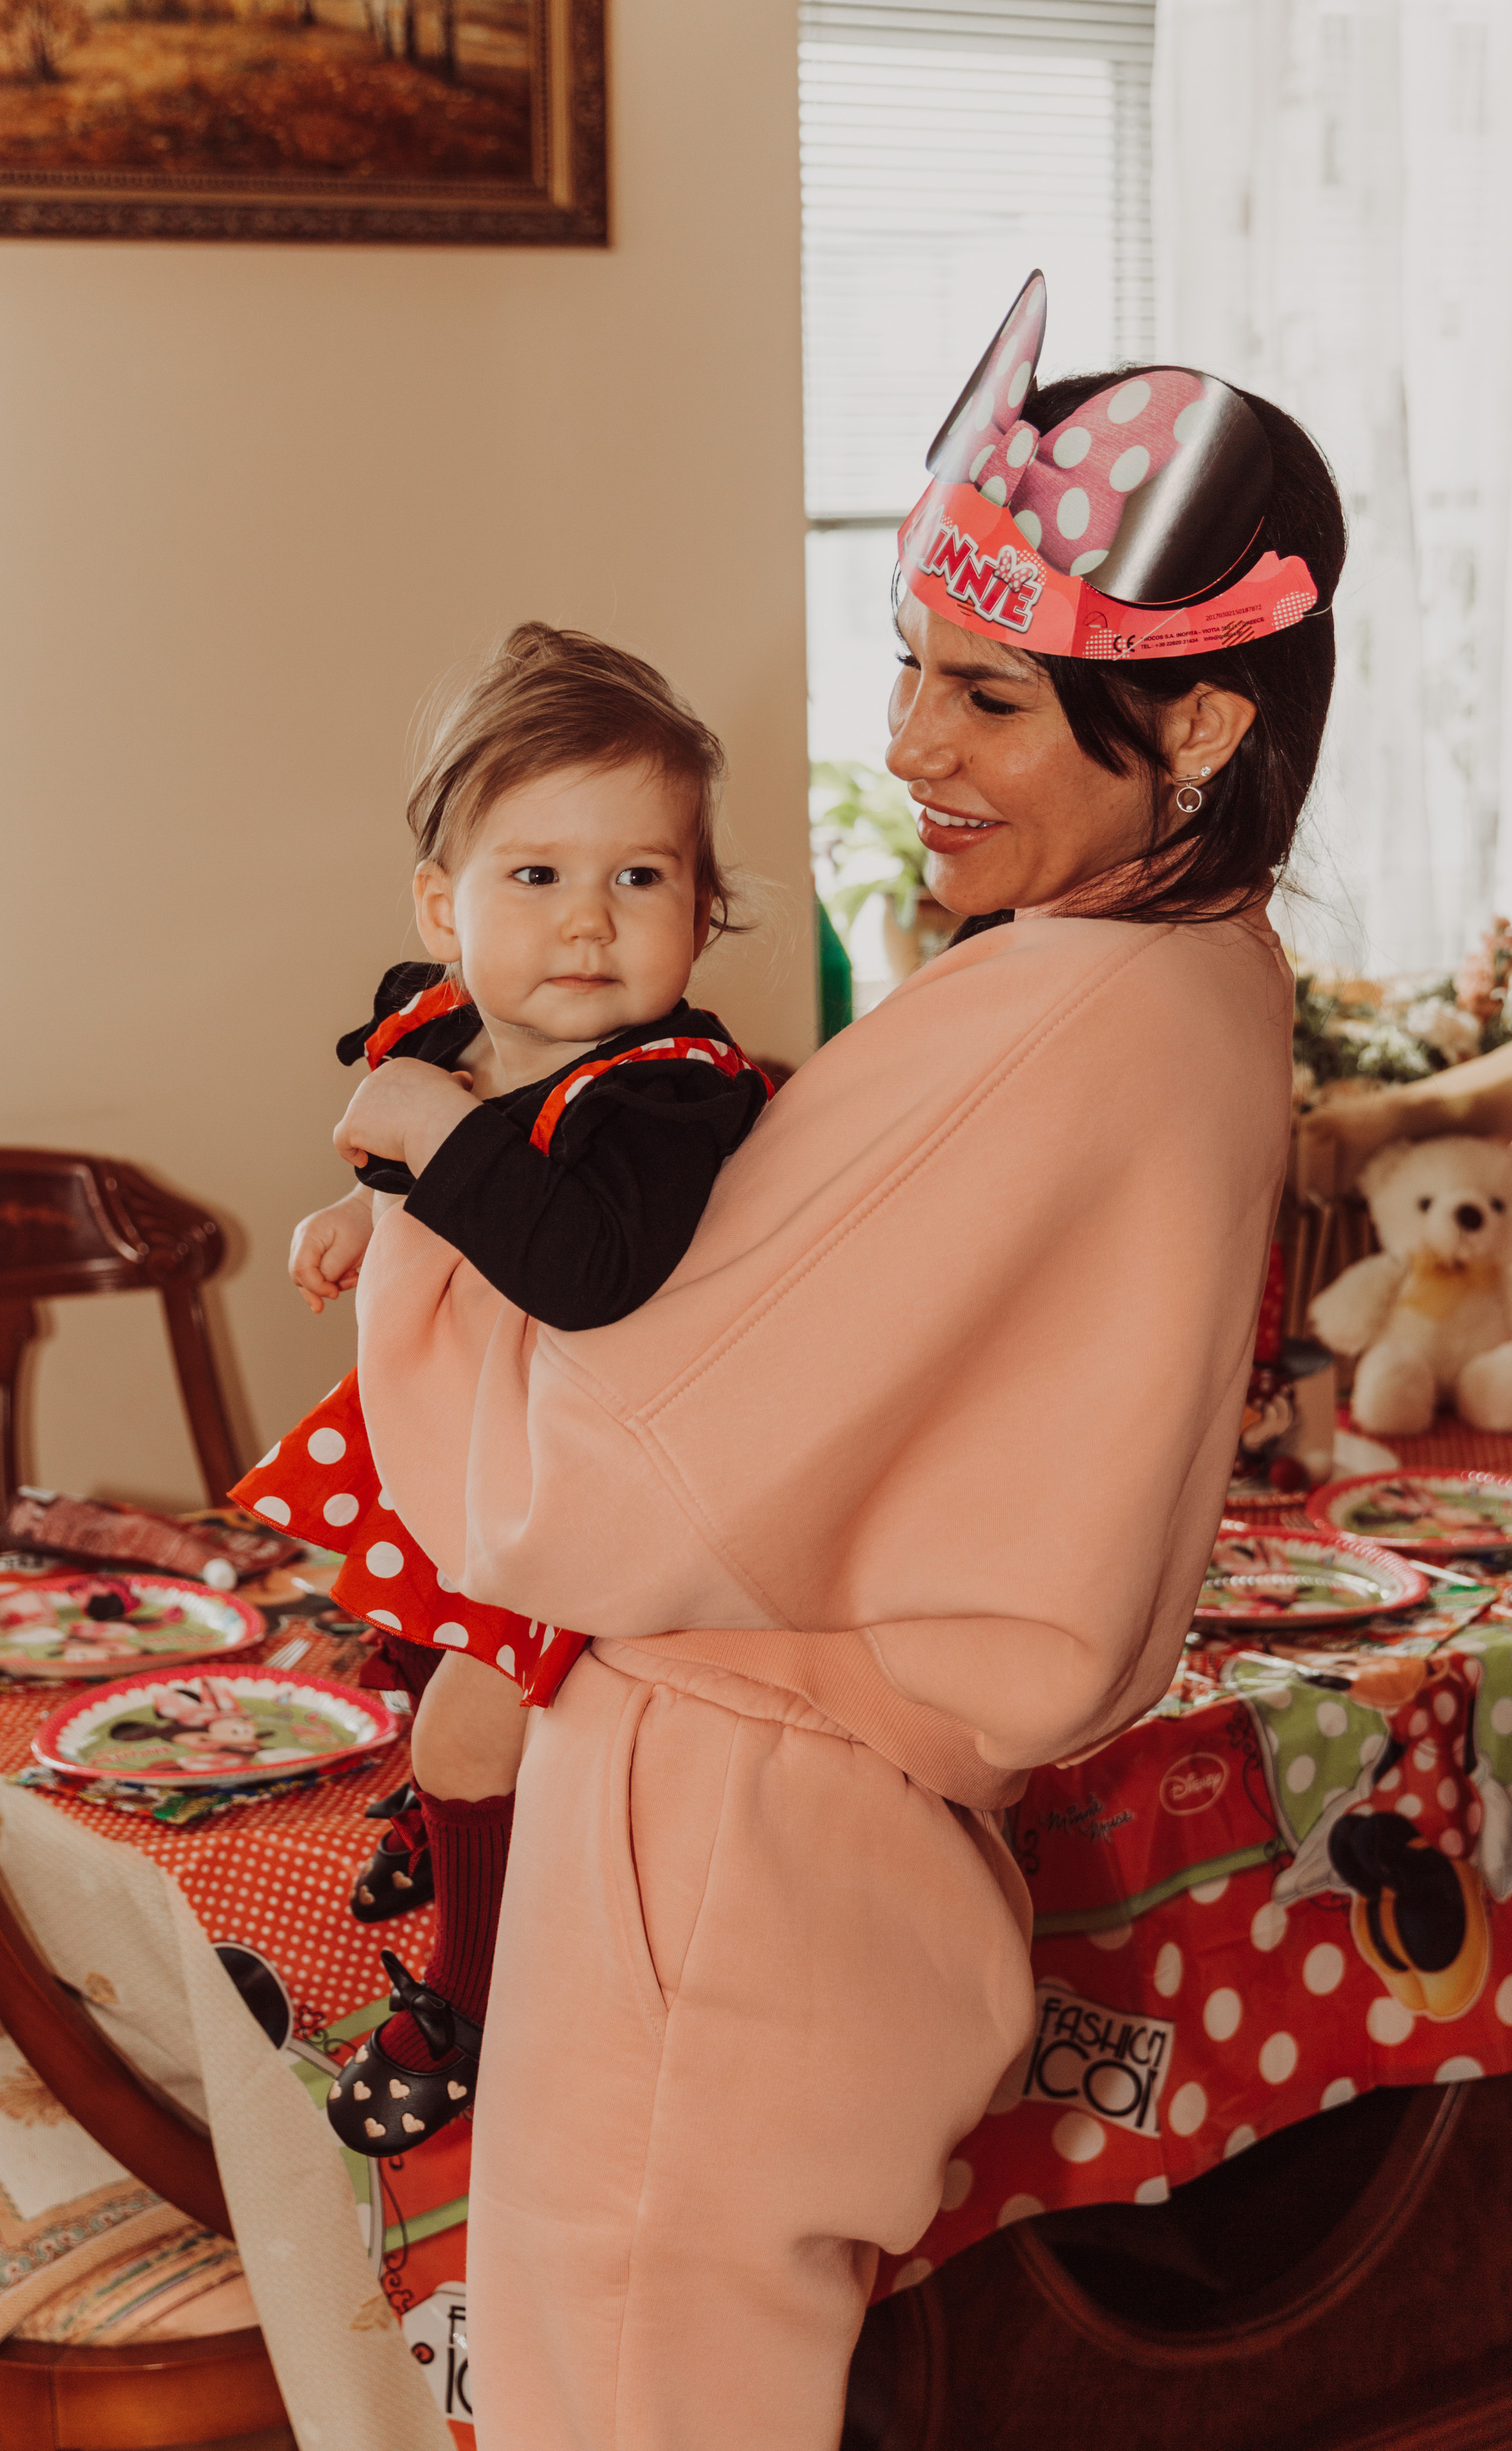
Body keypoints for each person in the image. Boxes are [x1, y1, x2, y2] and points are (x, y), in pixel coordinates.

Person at [342, 273, 1347, 2449]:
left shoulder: (1060, 1013)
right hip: (830, 1836)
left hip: (732, 1839)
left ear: (1193, 726)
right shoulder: (1197, 971)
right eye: (912, 671)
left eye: (984, 697)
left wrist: (421, 1222)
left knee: (628, 2397)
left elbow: (580, 1489)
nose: (905, 750)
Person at [230, 624, 772, 2153]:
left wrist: (430, 1134)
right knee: (399, 1626)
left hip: (582, 1486)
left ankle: (477, 2001)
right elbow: (436, 1172)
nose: (587, 925)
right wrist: (363, 1204)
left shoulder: (667, 1097)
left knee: (472, 1726)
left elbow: (588, 1263)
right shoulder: (463, 1033)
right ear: (442, 905)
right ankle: (446, 1818)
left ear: (704, 906)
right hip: (456, 1442)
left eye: (640, 878)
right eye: (534, 877)